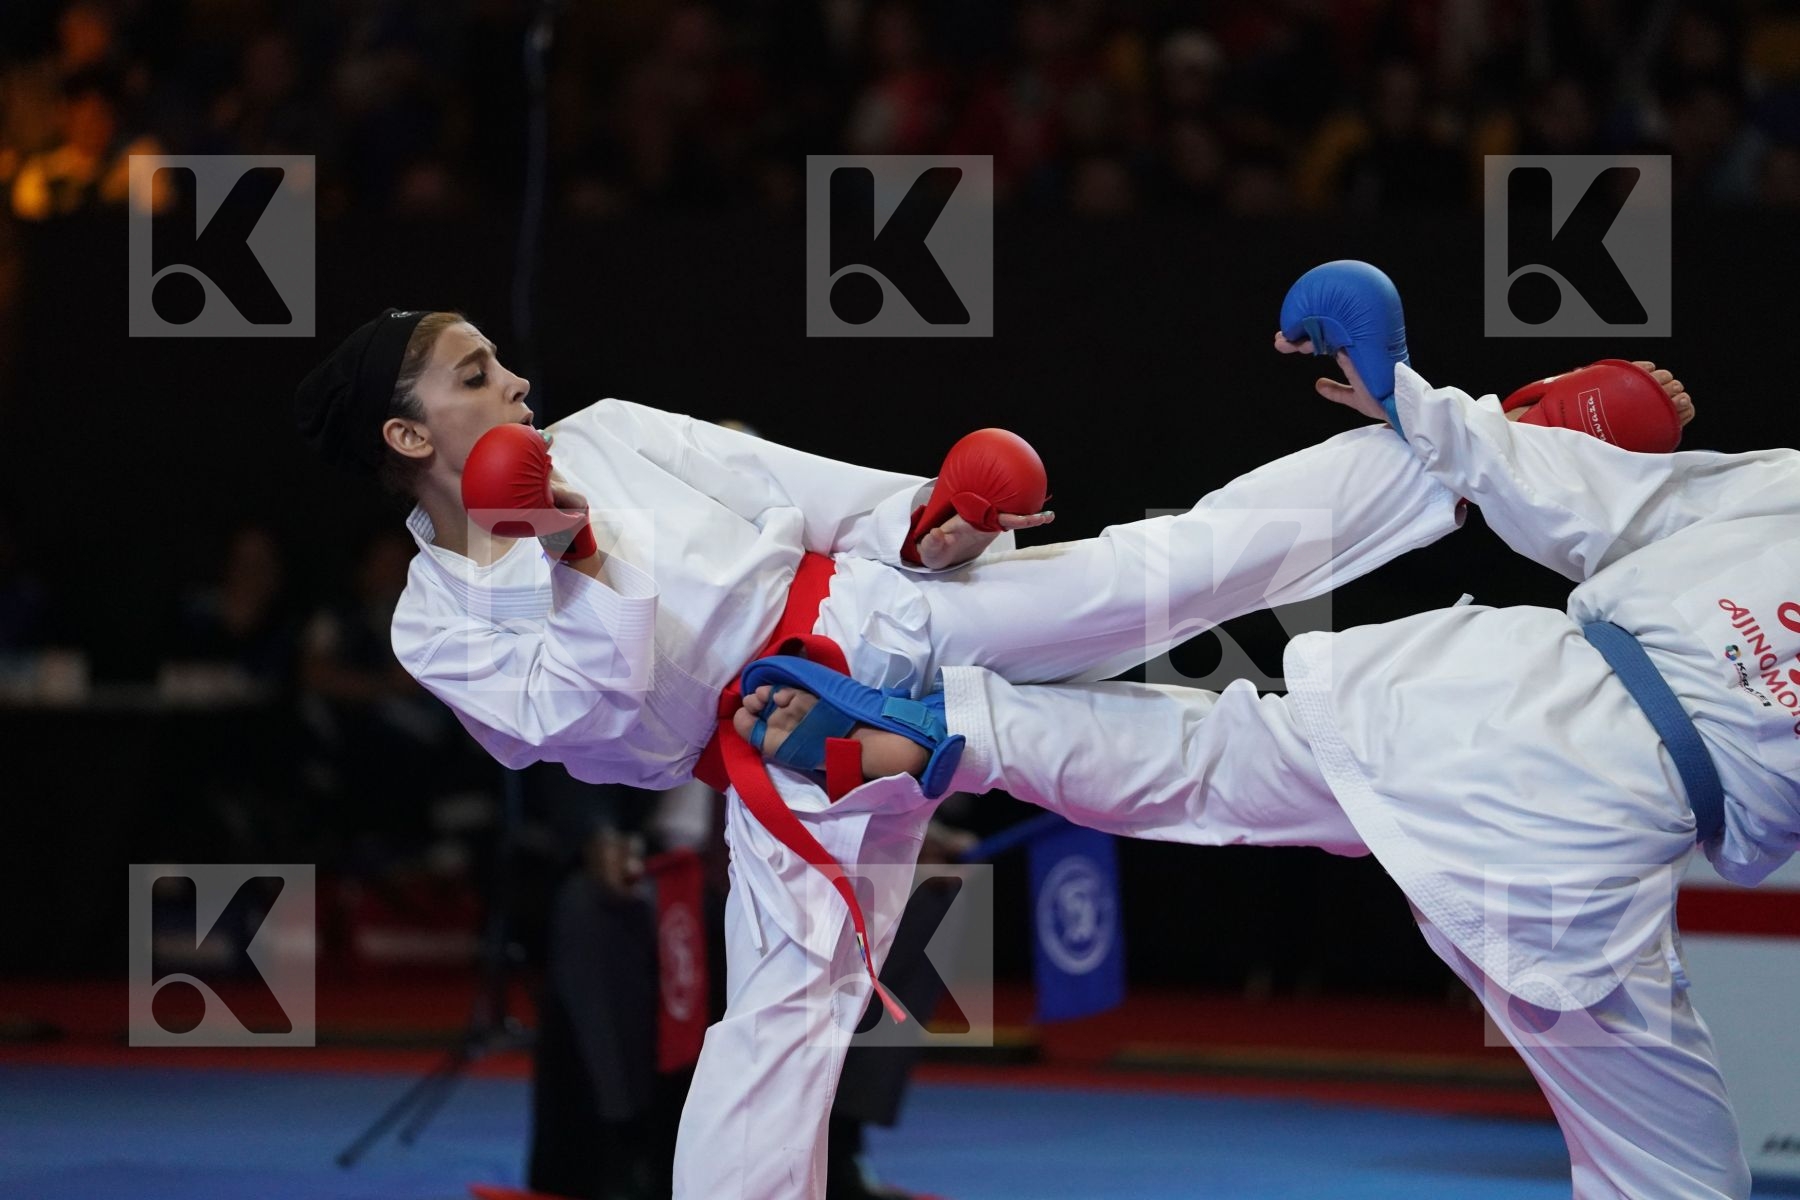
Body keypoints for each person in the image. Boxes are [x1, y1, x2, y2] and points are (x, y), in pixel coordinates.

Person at [292, 292, 1660, 1198]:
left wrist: (931, 520)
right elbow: (592, 728)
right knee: (780, 1027)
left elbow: (812, 500)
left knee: (1163, 568)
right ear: (412, 434)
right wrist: (571, 550)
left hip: (887, 604)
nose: (520, 380)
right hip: (789, 743)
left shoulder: (609, 432)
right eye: (479, 375)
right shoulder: (436, 622)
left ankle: (1503, 439)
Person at [750, 273, 1780, 1199]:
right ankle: (947, 730)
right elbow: (1603, 509)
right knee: (1679, 1180)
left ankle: (943, 731)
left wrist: (1428, 407)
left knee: (1207, 758)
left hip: (1487, 695)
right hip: (1577, 853)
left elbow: (1592, 508)